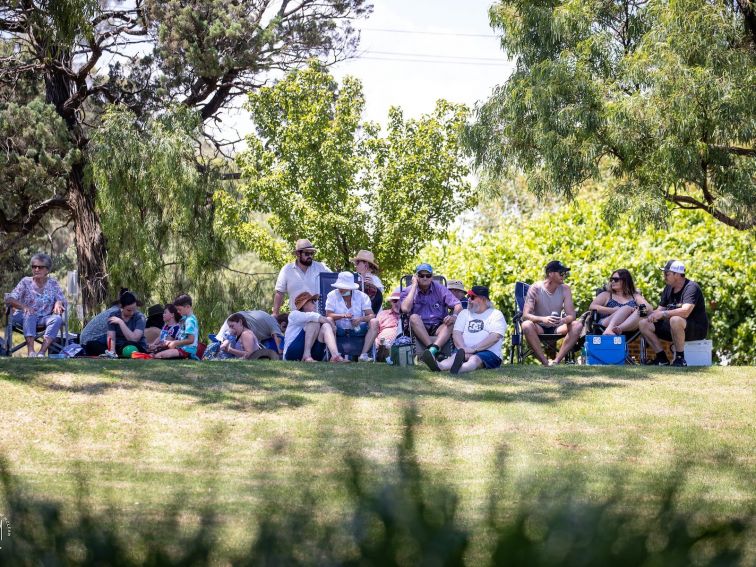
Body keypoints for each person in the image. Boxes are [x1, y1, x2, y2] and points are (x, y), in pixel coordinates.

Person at [639, 260, 709, 367]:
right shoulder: (668, 288)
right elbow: (659, 310)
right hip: (674, 327)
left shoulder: (691, 287)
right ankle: (662, 358)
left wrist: (663, 314)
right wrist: (650, 314)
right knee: (644, 324)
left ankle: (680, 359)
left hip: (696, 329)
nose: (664, 276)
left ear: (677, 275)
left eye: (667, 274)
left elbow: (685, 312)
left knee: (675, 319)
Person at [424, 286, 507, 374]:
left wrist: (474, 349)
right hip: (464, 350)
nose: (469, 300)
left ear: (483, 299)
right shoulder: (464, 313)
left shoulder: (496, 314)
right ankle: (439, 366)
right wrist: (463, 349)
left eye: (472, 297)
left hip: (489, 352)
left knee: (475, 359)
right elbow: (456, 333)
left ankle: (460, 369)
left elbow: (495, 337)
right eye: (468, 297)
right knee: (455, 357)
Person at [521, 260, 583, 365]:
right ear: (551, 274)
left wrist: (562, 320)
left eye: (565, 273)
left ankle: (556, 361)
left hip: (557, 326)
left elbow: (572, 315)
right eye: (561, 272)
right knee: (526, 325)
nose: (564, 275)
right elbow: (525, 315)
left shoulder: (565, 289)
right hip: (539, 327)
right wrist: (543, 319)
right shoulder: (535, 288)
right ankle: (545, 362)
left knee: (577, 325)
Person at [4, 253, 66, 357]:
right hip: (23, 316)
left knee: (57, 319)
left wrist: (58, 302)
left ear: (47, 270)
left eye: (40, 267)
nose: (36, 269)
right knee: (30, 313)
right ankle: (31, 351)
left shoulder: (53, 283)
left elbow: (61, 299)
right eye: (34, 266)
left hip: (44, 318)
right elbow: (9, 298)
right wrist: (24, 307)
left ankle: (42, 352)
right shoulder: (25, 282)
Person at [400, 263, 462, 367]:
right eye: (421, 275)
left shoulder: (440, 288)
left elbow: (458, 305)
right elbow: (405, 309)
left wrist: (454, 316)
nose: (425, 278)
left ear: (431, 277)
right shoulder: (408, 290)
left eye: (428, 275)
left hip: (438, 326)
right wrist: (414, 286)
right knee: (413, 317)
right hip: (418, 327)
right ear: (416, 277)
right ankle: (435, 352)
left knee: (452, 322)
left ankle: (432, 351)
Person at [282, 291, 345, 362]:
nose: (315, 304)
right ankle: (306, 356)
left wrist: (330, 324)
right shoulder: (294, 314)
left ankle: (335, 356)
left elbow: (321, 319)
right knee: (314, 323)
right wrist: (333, 326)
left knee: (326, 325)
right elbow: (314, 316)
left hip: (313, 354)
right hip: (292, 353)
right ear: (304, 304)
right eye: (312, 302)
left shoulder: (313, 315)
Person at [273, 239, 330, 316]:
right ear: (298, 254)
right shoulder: (287, 270)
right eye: (307, 253)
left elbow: (335, 281)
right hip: (297, 318)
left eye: (312, 253)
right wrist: (275, 313)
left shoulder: (321, 267)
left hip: (317, 317)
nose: (310, 256)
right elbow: (279, 293)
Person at [82, 289, 147, 357]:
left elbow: (134, 339)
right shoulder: (113, 315)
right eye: (129, 310)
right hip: (118, 346)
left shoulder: (140, 317)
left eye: (134, 309)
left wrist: (121, 322)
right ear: (122, 307)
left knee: (129, 347)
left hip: (134, 345)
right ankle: (114, 355)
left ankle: (119, 355)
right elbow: (111, 338)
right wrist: (112, 351)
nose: (132, 312)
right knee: (91, 344)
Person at [589, 269, 653, 335]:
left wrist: (636, 310)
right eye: (611, 279)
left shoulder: (635, 296)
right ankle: (609, 329)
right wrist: (613, 310)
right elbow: (592, 306)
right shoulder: (606, 294)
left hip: (628, 327)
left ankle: (617, 329)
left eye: (616, 279)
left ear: (625, 281)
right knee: (627, 308)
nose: (613, 281)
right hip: (606, 323)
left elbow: (649, 308)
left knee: (642, 311)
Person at [358, 288, 402, 362]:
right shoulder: (383, 314)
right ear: (391, 302)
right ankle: (385, 352)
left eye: (401, 301)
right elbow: (373, 331)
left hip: (399, 344)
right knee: (384, 343)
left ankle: (391, 352)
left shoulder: (407, 315)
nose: (397, 303)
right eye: (395, 301)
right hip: (381, 345)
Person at [325, 271, 375, 337]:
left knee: (374, 322)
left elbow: (372, 315)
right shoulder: (332, 295)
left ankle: (366, 348)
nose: (340, 288)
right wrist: (343, 315)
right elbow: (328, 315)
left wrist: (360, 319)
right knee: (328, 320)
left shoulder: (362, 296)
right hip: (338, 330)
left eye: (343, 286)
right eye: (339, 286)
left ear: (350, 288)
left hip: (357, 329)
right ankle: (333, 347)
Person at [154, 294, 200, 360]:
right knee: (157, 353)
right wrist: (169, 342)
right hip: (181, 348)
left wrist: (175, 343)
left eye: (179, 309)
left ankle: (189, 357)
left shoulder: (190, 320)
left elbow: (191, 340)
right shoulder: (185, 318)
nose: (177, 312)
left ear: (187, 307)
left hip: (187, 350)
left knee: (159, 355)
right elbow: (182, 337)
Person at [216, 310, 285, 354]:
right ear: (283, 324)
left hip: (232, 319)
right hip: (237, 322)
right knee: (226, 349)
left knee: (223, 346)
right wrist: (281, 355)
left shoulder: (267, 318)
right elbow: (278, 339)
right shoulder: (274, 323)